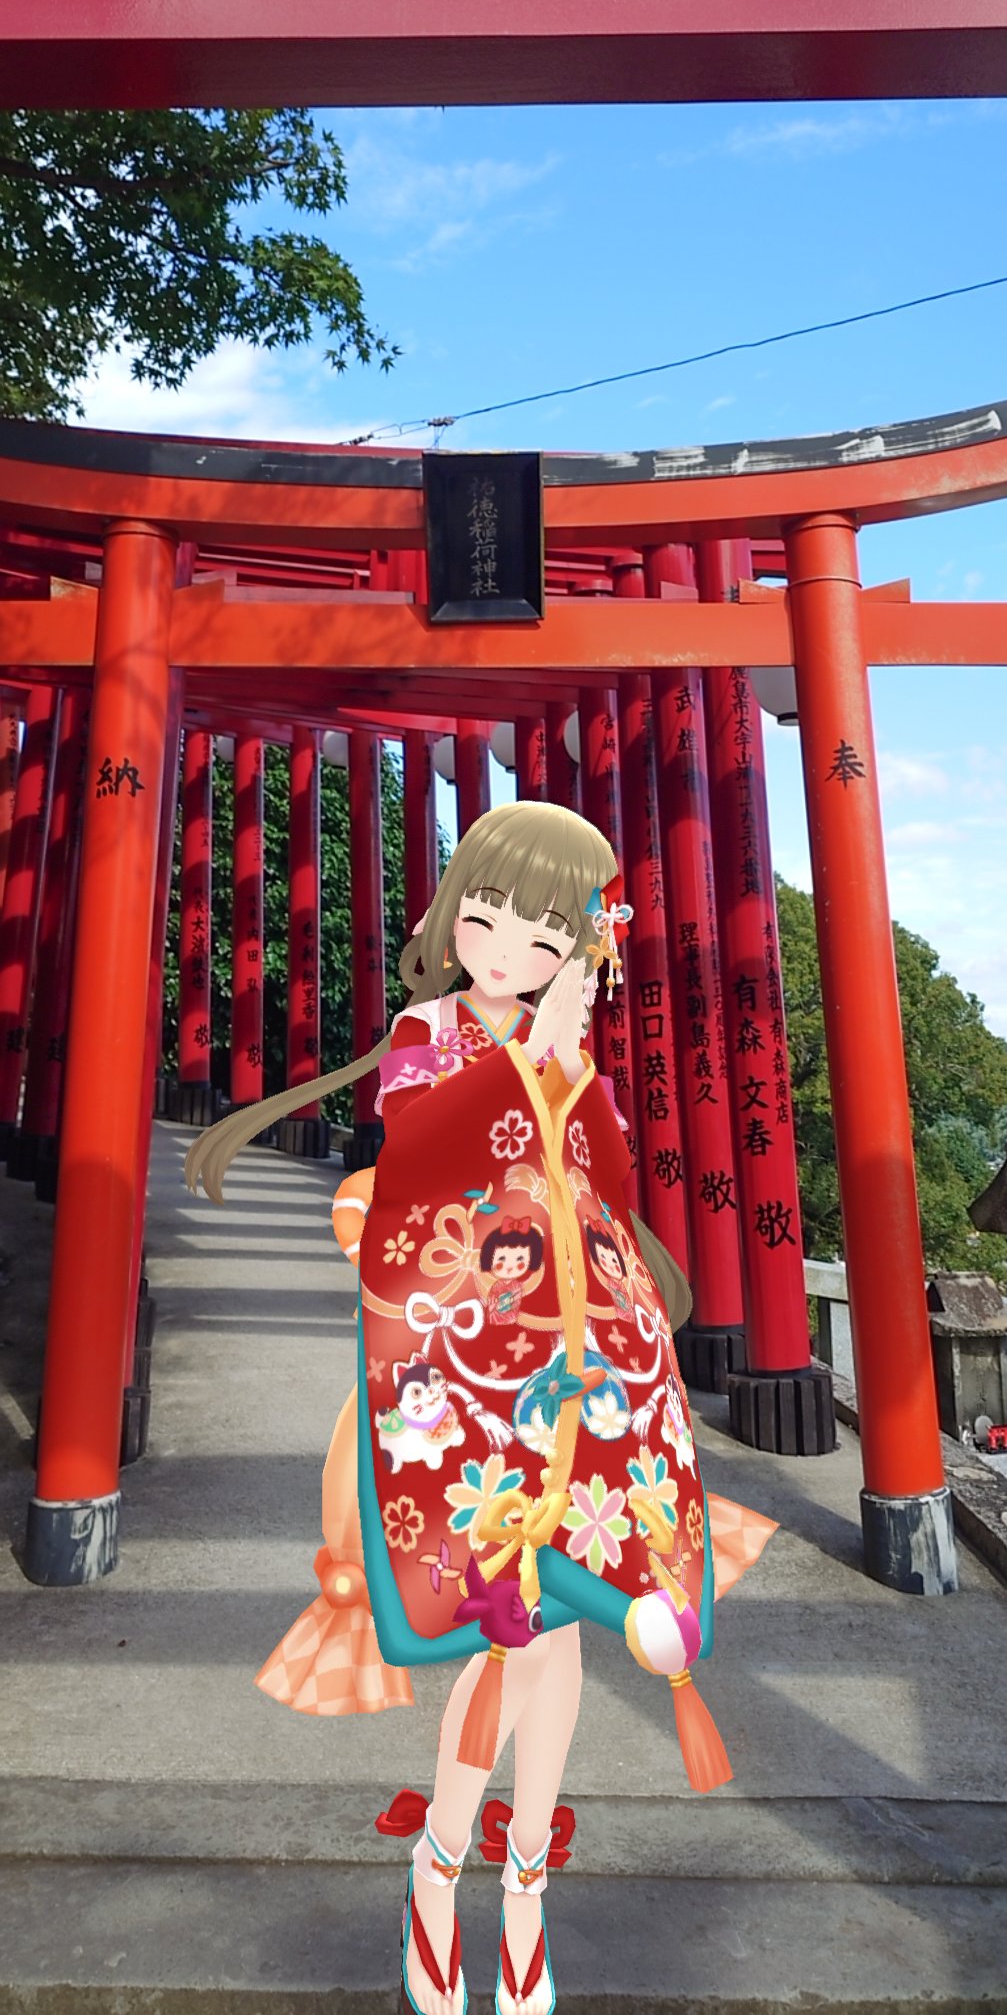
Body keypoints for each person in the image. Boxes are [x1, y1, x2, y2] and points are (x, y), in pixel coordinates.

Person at [184, 800, 778, 2015]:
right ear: (452, 914)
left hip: (579, 1353)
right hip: (466, 1355)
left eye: (543, 936)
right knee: (510, 1622)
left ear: (579, 949)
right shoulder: (428, 1029)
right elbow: (419, 1158)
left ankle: (519, 1885)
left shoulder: (569, 1048)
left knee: (558, 1627)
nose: (505, 949)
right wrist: (527, 1059)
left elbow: (604, 1187)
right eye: (487, 917)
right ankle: (442, 1866)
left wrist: (570, 1073)